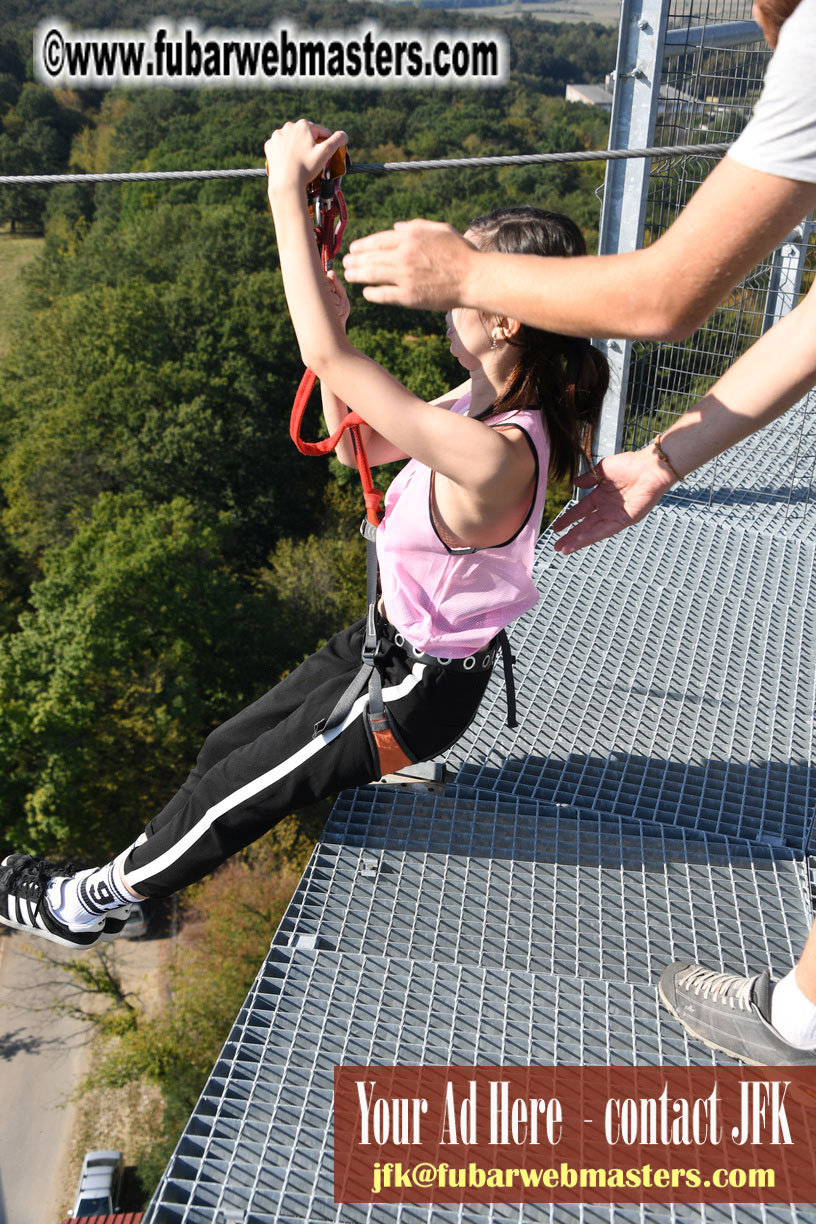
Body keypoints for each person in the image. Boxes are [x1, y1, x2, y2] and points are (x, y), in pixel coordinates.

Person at [0, 121, 608, 954]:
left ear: (508, 322)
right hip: (387, 643)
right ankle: (146, 882)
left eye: (468, 279)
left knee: (238, 793)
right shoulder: (480, 408)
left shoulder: (500, 454)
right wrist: (332, 312)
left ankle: (87, 905)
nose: (445, 295)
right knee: (227, 750)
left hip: (413, 694)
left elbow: (323, 354)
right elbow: (356, 441)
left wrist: (285, 190)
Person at [344, 0, 816, 1067]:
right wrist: (657, 462)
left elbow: (665, 295)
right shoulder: (508, 428)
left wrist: (459, 270)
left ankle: (803, 1021)